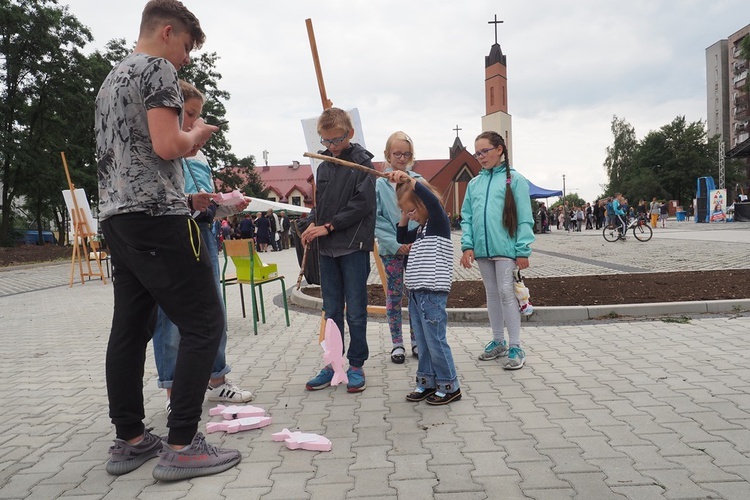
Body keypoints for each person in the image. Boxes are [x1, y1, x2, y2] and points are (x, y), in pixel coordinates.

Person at [95, 0, 240, 481]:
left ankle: (131, 438)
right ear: (167, 32)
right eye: (186, 48)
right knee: (203, 324)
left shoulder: (111, 79)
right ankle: (182, 444)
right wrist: (195, 132)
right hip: (158, 215)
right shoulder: (156, 69)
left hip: (117, 218)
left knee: (130, 329)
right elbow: (166, 145)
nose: (185, 60)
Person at [151, 80, 254, 417]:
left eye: (198, 115)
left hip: (204, 235)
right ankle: (172, 389)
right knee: (170, 317)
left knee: (214, 310)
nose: (195, 123)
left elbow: (205, 204)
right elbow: (156, 199)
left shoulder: (201, 153)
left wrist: (229, 206)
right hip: (172, 237)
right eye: (189, 114)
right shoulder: (160, 145)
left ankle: (217, 378)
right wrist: (189, 202)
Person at [301, 107, 376, 393]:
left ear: (350, 134)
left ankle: (356, 364)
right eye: (325, 141)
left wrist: (329, 226)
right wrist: (310, 224)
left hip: (353, 246)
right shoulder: (324, 166)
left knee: (356, 310)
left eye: (336, 140)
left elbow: (361, 206)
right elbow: (322, 206)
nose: (331, 147)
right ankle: (333, 362)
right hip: (327, 249)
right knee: (331, 311)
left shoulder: (363, 164)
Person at [459, 131, 534, 370]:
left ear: (499, 150)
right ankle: (498, 341)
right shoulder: (474, 183)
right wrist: (467, 245)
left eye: (485, 151)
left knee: (505, 291)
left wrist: (522, 250)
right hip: (482, 249)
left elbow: (524, 217)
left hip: (507, 249)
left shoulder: (516, 180)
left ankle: (515, 345)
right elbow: (467, 217)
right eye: (477, 153)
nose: (480, 156)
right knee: (491, 293)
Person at [390, 169, 460, 405]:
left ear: (422, 202)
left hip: (432, 293)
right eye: (406, 211)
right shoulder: (420, 230)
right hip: (416, 293)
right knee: (422, 339)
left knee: (435, 340)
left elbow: (431, 201)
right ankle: (427, 382)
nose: (410, 215)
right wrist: (404, 214)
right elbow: (401, 237)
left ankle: (450, 385)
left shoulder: (439, 222)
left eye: (412, 209)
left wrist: (411, 181)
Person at [375, 131, 420, 364]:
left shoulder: (417, 181)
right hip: (391, 250)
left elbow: (423, 211)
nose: (402, 158)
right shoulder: (379, 184)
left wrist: (414, 242)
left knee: (415, 295)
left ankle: (416, 340)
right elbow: (377, 219)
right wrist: (395, 244)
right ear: (387, 155)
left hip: (415, 248)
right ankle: (397, 343)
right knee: (394, 295)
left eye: (407, 154)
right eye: (397, 153)